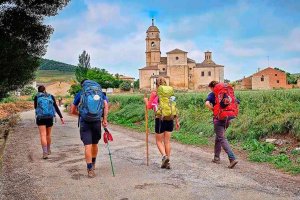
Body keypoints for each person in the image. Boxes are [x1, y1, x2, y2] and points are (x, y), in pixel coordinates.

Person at [71, 79, 108, 178]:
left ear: (82, 85)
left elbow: (72, 110)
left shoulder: (81, 93)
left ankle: (89, 168)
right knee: (95, 144)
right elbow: (106, 105)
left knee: (88, 145)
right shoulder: (99, 92)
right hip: (96, 121)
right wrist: (104, 119)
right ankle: (94, 163)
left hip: (85, 122)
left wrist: (81, 114)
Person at [144, 77, 180, 169]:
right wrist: (177, 121)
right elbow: (174, 107)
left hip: (160, 119)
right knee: (167, 141)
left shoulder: (155, 94)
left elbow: (149, 107)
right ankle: (168, 162)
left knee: (159, 141)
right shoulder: (171, 94)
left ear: (156, 84)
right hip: (170, 118)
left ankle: (164, 157)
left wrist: (146, 101)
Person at [205, 81, 238, 168]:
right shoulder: (227, 92)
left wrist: (214, 110)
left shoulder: (213, 93)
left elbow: (207, 104)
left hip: (219, 118)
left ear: (212, 87)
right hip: (228, 118)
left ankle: (232, 158)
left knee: (222, 138)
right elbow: (236, 102)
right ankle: (216, 157)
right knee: (219, 137)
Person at [34, 85, 64, 159]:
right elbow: (56, 107)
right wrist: (61, 117)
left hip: (40, 118)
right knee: (48, 135)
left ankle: (44, 153)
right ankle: (48, 149)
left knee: (43, 135)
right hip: (49, 118)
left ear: (38, 91)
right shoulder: (51, 96)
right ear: (45, 90)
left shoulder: (37, 97)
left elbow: (35, 107)